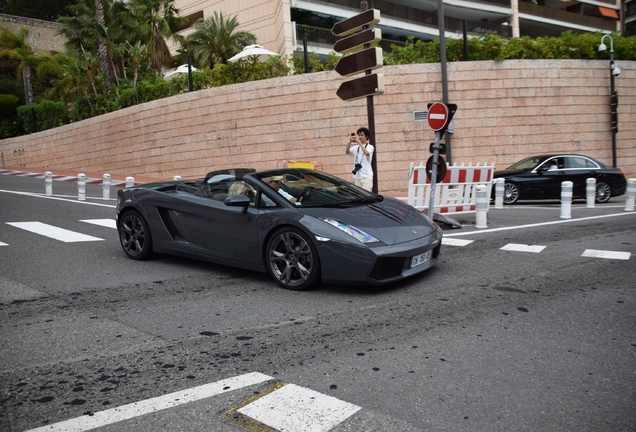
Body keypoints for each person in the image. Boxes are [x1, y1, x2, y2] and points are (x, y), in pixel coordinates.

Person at [345, 127, 374, 191]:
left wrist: (359, 143)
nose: (360, 137)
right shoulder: (356, 147)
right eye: (359, 135)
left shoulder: (370, 147)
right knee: (359, 197)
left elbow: (367, 153)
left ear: (366, 136)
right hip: (357, 177)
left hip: (366, 177)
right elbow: (347, 152)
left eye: (362, 135)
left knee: (367, 197)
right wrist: (349, 142)